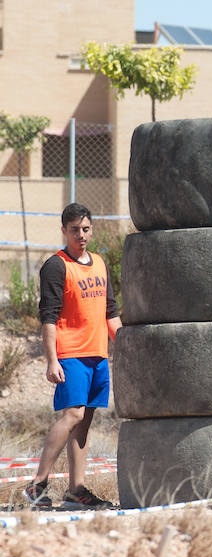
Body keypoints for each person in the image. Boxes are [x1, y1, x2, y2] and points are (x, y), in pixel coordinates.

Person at [23, 203, 122, 509]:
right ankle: (38, 484)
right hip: (71, 353)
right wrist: (52, 359)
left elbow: (110, 313)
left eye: (86, 229)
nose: (81, 234)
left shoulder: (100, 263)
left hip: (97, 354)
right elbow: (49, 317)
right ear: (64, 230)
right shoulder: (56, 265)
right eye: (75, 229)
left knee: (85, 421)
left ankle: (76, 490)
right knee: (73, 415)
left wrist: (128, 344)